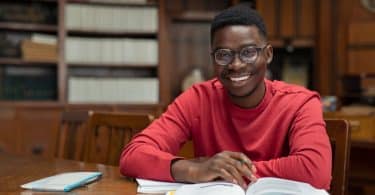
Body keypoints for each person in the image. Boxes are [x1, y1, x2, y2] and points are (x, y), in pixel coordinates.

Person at [120, 4, 331, 190]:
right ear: (212, 58)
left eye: (248, 52)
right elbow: (133, 156)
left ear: (268, 54)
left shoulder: (300, 102)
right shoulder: (198, 98)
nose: (236, 64)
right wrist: (194, 170)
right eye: (223, 54)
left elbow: (315, 170)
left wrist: (224, 171)